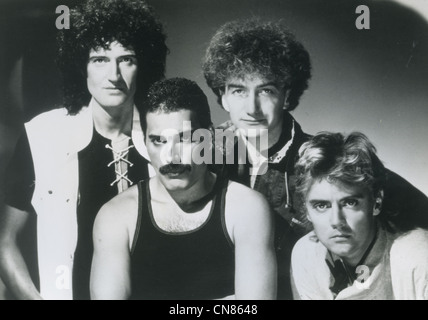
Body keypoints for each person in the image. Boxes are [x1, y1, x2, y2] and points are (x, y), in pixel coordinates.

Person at [202, 17, 428, 300]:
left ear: (287, 96)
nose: (252, 107)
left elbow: (411, 209)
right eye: (238, 90)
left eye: (267, 91)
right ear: (222, 97)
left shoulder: (318, 161)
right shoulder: (206, 151)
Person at [0, 0, 168, 300]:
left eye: (126, 59)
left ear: (143, 65)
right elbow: (4, 242)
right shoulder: (43, 135)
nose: (113, 75)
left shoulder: (167, 140)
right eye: (100, 59)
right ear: (83, 66)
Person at [90, 77, 277, 300]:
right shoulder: (116, 216)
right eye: (158, 141)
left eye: (185, 139)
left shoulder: (246, 208)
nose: (171, 156)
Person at [291, 131, 428, 300]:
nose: (336, 221)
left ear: (376, 203)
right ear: (306, 210)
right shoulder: (306, 254)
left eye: (350, 203)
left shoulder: (415, 256)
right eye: (321, 205)